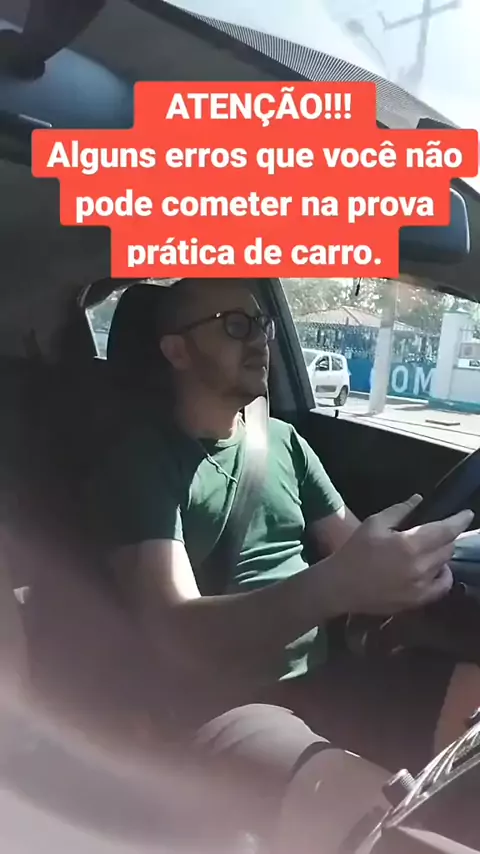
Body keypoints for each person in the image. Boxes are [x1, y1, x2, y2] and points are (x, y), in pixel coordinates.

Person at [89, 277, 478, 770]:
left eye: (262, 323)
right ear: (177, 351)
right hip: (224, 704)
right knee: (360, 799)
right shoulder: (140, 463)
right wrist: (335, 587)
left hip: (329, 679)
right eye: (235, 326)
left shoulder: (283, 441)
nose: (259, 340)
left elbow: (356, 553)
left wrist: (416, 566)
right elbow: (176, 632)